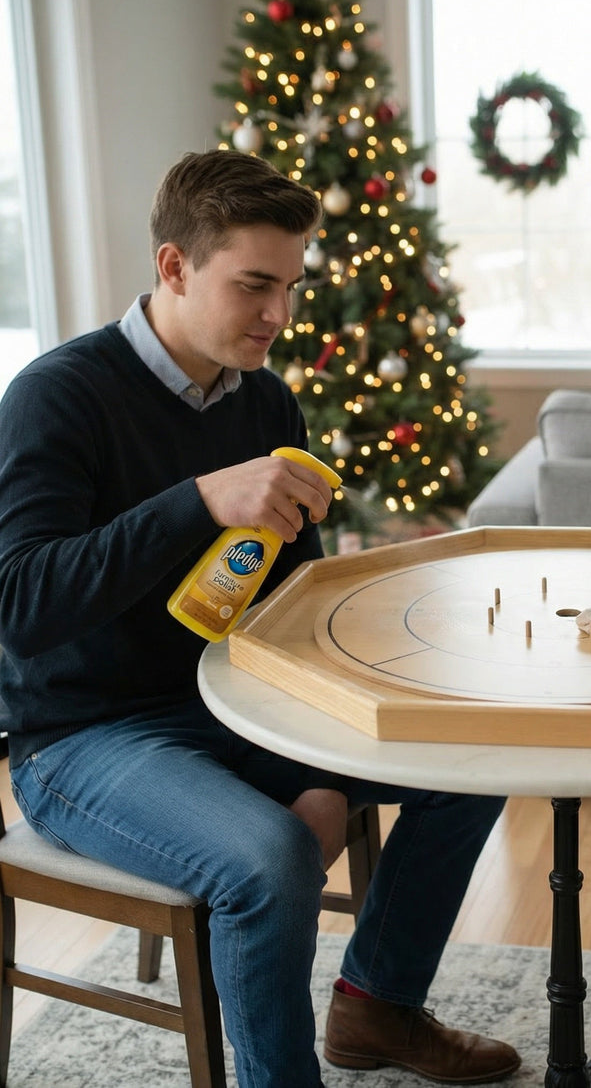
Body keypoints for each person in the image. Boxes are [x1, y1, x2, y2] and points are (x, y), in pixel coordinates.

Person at [0, 150, 520, 1088]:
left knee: (470, 755)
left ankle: (377, 1011)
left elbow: (281, 597)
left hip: (238, 706)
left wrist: (345, 666)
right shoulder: (59, 395)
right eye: (254, 287)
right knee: (270, 856)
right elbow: (22, 607)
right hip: (81, 739)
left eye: (289, 287)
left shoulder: (267, 402)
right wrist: (198, 500)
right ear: (173, 268)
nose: (280, 316)